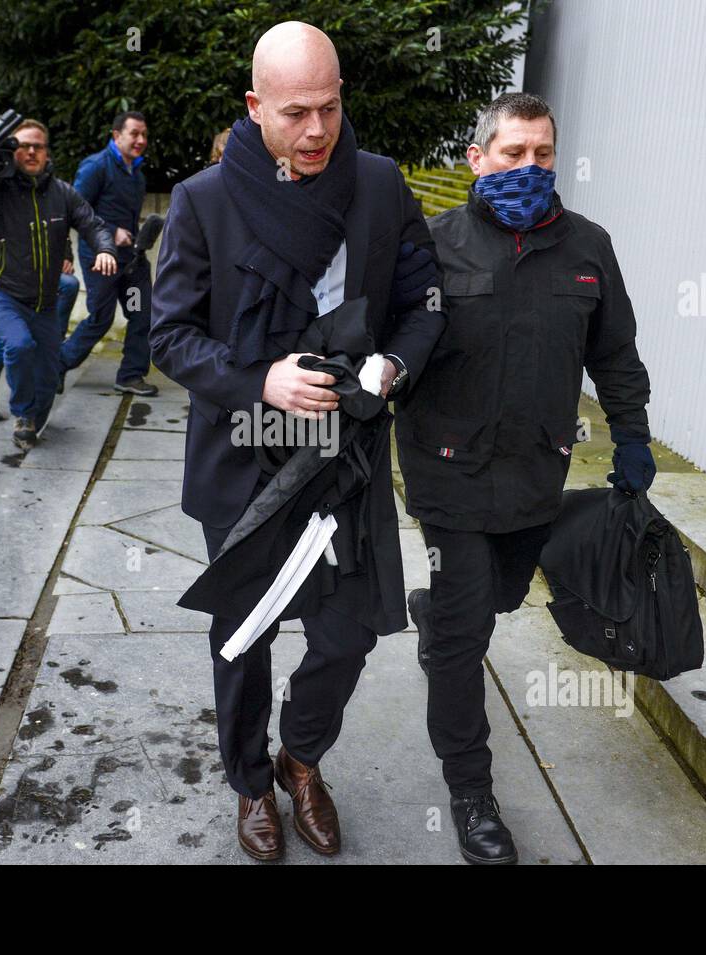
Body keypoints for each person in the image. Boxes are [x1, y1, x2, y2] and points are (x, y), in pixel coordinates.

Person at [149, 21, 445, 861]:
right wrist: (259, 380)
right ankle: (250, 784)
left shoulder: (382, 185)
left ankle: (300, 758)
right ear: (255, 107)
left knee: (349, 634)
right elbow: (169, 334)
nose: (317, 130)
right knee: (244, 638)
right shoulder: (204, 199)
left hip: (345, 456)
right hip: (244, 456)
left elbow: (426, 302)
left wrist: (393, 362)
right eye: (295, 113)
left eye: (330, 107)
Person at [397, 93, 655, 865]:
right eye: (513, 153)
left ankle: (434, 611)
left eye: (542, 153)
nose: (529, 167)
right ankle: (471, 788)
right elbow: (390, 344)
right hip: (446, 469)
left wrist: (633, 437)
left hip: (535, 468)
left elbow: (614, 354)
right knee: (467, 631)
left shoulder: (587, 246)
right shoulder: (432, 245)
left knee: (503, 595)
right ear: (477, 158)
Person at [0, 118, 117, 450]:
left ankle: (33, 417)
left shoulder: (62, 193)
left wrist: (104, 248)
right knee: (18, 344)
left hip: (44, 300)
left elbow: (93, 224)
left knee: (49, 375)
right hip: (0, 292)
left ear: (47, 152)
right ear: (13, 151)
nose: (31, 151)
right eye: (23, 145)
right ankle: (21, 415)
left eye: (38, 146)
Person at [58, 111, 159, 397]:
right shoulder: (95, 167)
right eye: (134, 134)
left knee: (143, 314)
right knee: (100, 318)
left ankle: (130, 376)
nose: (141, 140)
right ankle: (57, 365)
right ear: (117, 136)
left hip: (132, 261)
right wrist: (112, 231)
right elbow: (75, 209)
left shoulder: (136, 173)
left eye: (144, 135)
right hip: (100, 259)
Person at [0, 258, 80, 421]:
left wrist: (65, 256)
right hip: (7, 285)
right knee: (11, 342)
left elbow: (61, 235)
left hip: (38, 282)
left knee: (69, 285)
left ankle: (54, 350)